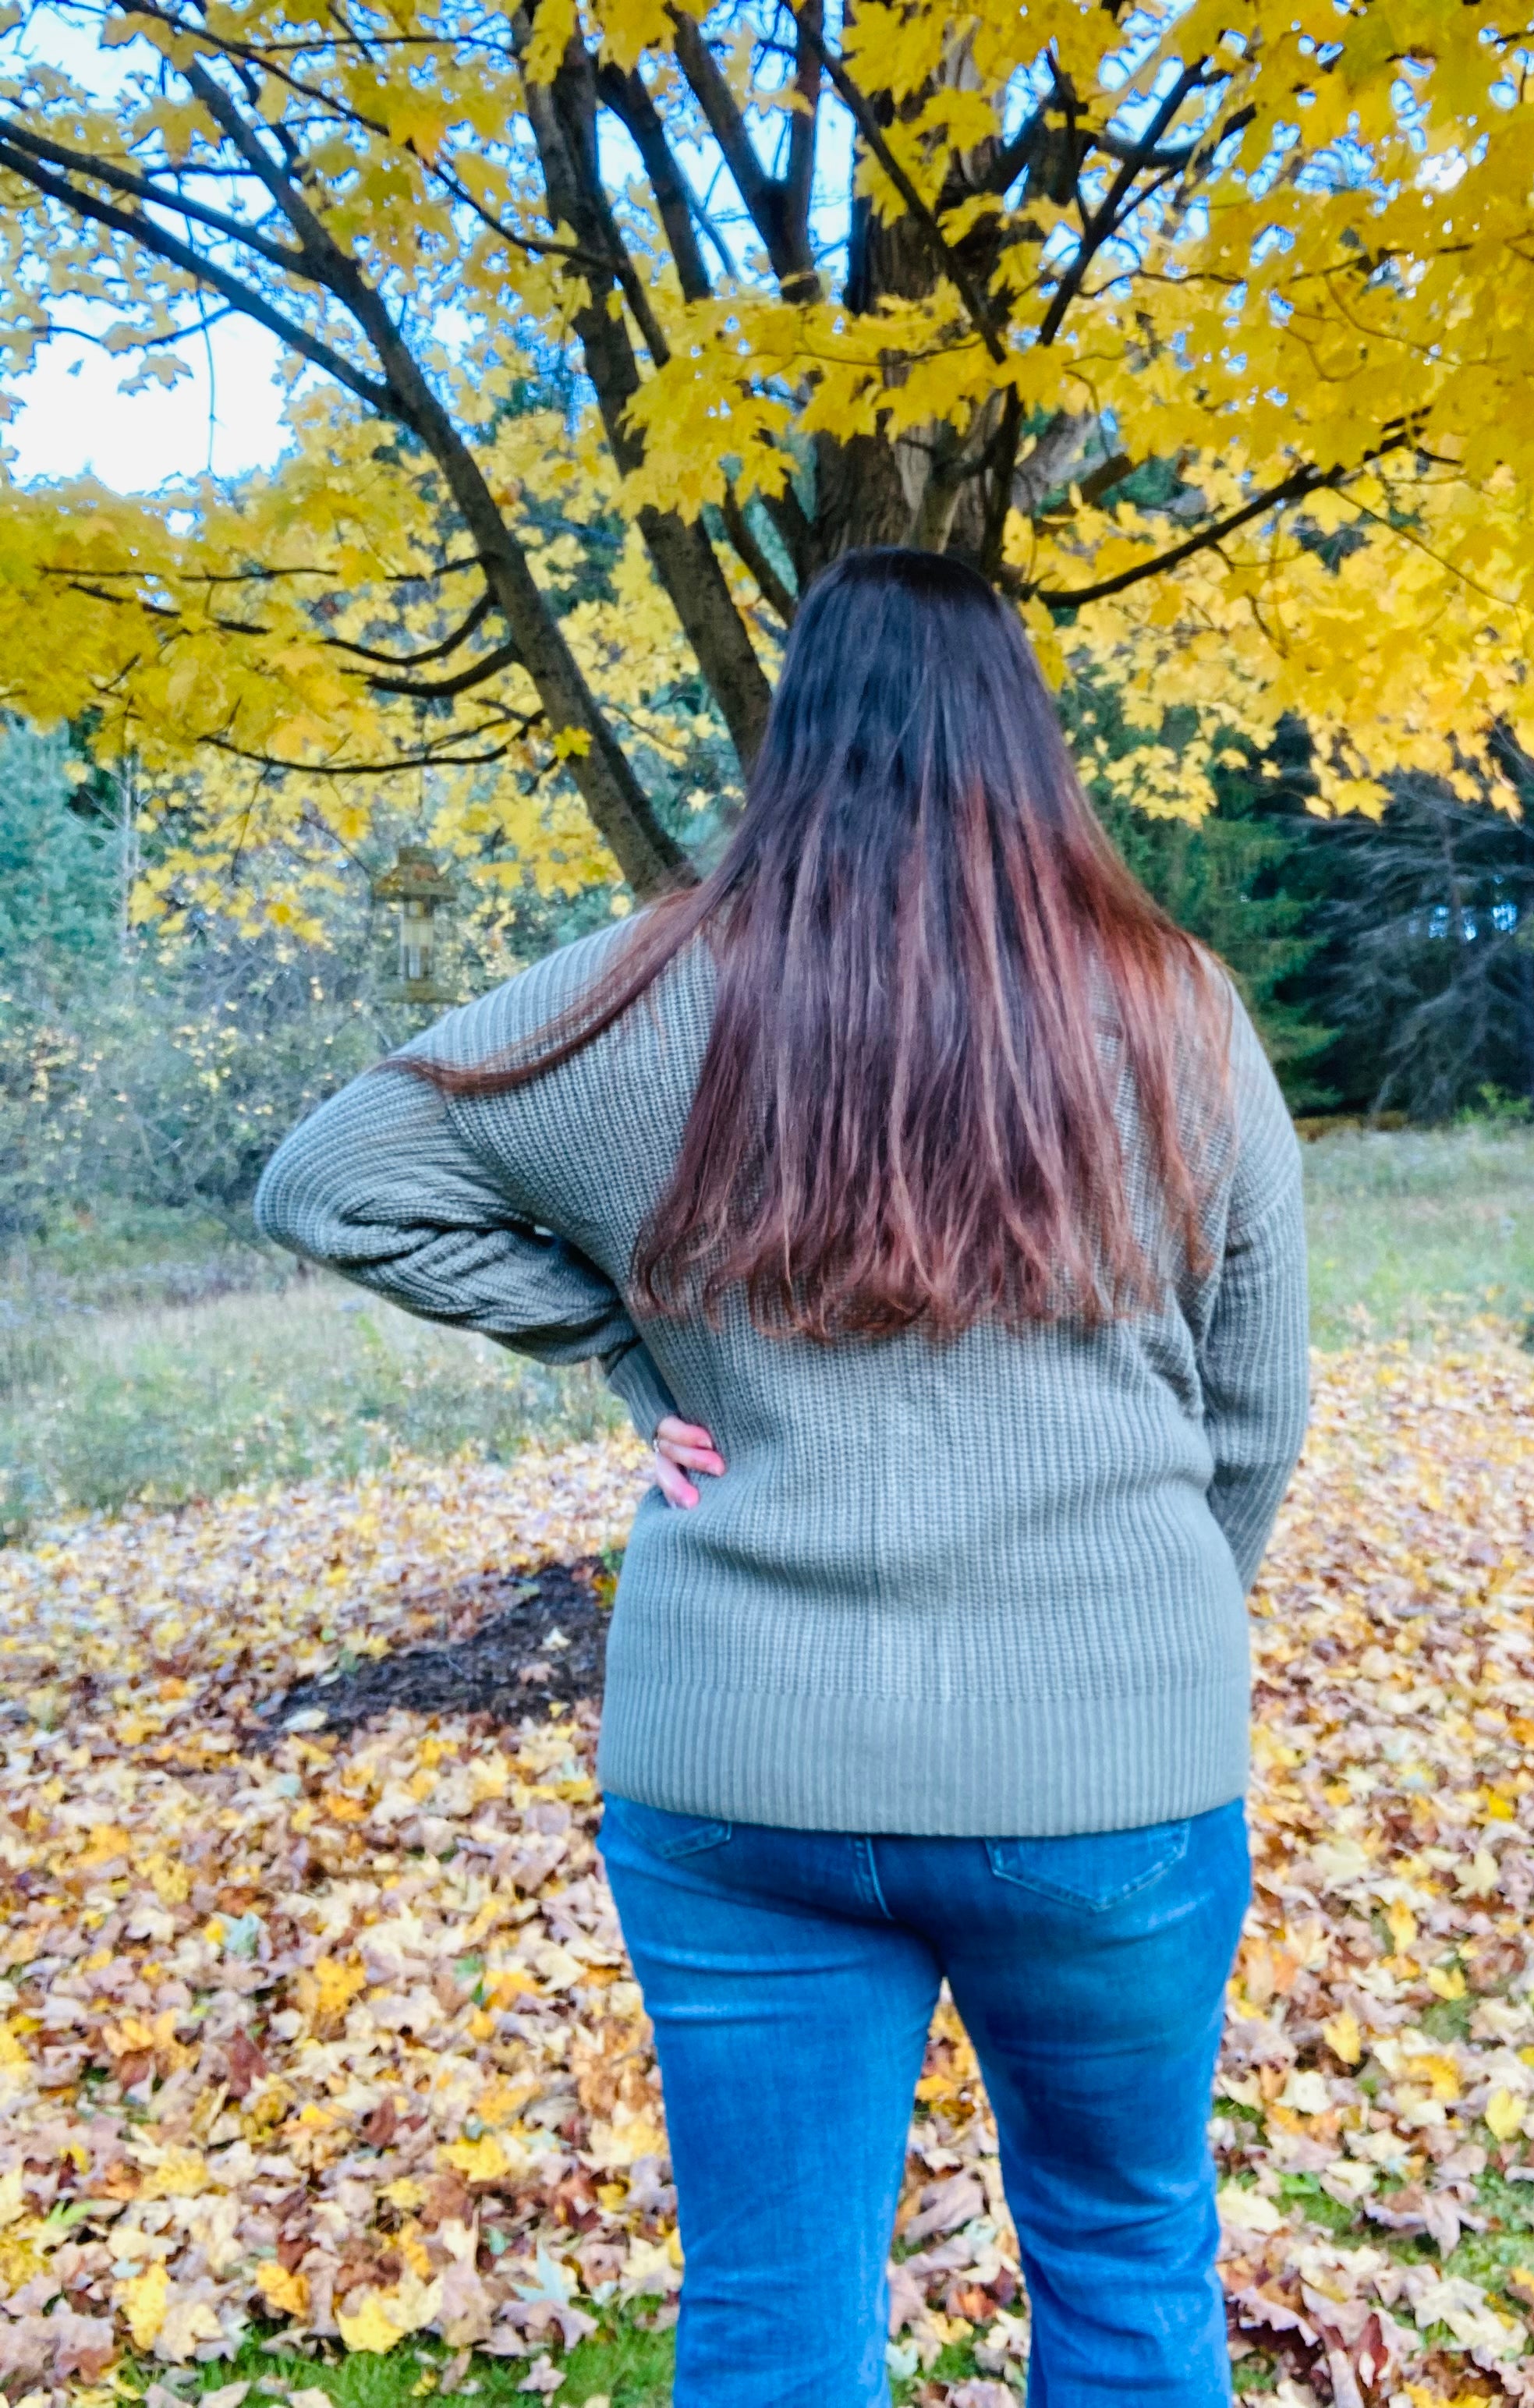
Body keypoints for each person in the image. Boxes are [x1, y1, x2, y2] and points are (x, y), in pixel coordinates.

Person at [256, 546, 1311, 2408]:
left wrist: (611, 1329)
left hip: (736, 1760)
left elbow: (337, 1175)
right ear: (1025, 734)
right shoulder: (1172, 1009)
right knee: (1128, 2252)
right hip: (1106, 1772)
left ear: (793, 730)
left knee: (764, 2309)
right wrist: (1142, 1617)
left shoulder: (652, 987)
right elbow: (1254, 1411)